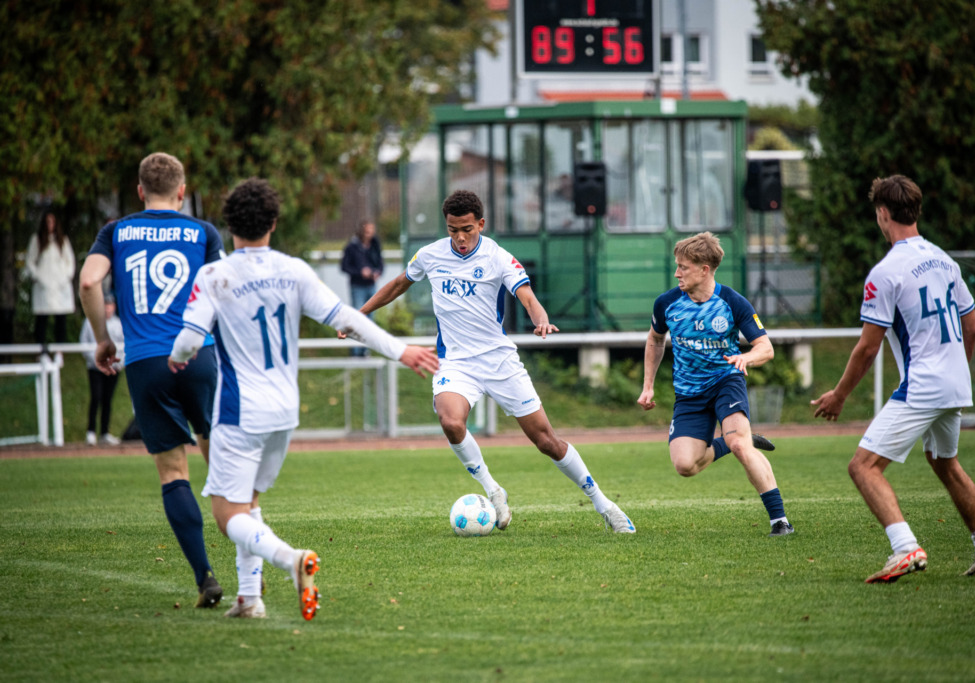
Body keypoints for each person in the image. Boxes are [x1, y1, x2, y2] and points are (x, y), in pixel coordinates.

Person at [169, 178, 438, 619]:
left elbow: (189, 339)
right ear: (274, 222)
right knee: (249, 502)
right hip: (283, 411)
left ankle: (290, 560)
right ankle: (250, 598)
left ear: (229, 224)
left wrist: (177, 359)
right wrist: (401, 350)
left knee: (225, 515)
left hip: (241, 410)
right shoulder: (293, 270)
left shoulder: (215, 274)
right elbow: (347, 318)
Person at [349, 189, 636, 533]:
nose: (460, 237)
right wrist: (358, 317)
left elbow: (527, 296)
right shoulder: (429, 255)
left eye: (467, 229)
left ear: (481, 224)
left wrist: (540, 318)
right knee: (451, 422)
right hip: (456, 363)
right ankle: (493, 490)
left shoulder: (498, 257)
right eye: (453, 229)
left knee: (546, 441)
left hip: (499, 362)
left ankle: (604, 505)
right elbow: (398, 284)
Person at [811, 174, 975, 583]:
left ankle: (905, 548)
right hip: (954, 382)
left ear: (883, 214)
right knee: (945, 463)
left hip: (923, 384)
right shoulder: (946, 261)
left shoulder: (886, 271)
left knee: (863, 467)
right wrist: (956, 371)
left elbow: (867, 348)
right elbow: (972, 329)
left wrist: (839, 396)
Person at [79, 152, 226, 608]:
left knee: (172, 471)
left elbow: (88, 283)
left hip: (145, 362)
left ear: (140, 191)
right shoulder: (202, 232)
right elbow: (222, 288)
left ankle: (205, 577)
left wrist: (104, 340)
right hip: (198, 354)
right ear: (182, 192)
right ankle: (251, 555)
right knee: (217, 452)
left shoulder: (117, 231)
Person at [637, 232, 793, 537]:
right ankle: (736, 441)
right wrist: (648, 386)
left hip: (726, 382)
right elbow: (655, 340)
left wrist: (745, 359)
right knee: (685, 465)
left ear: (704, 269)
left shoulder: (732, 302)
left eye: (683, 267)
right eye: (677, 266)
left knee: (740, 446)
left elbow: (766, 347)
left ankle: (780, 521)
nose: (676, 273)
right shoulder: (667, 303)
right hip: (688, 393)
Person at [25, 211, 77, 347]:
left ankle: (59, 351)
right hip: (44, 286)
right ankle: (40, 350)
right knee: (42, 319)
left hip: (60, 286)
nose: (50, 225)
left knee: (61, 319)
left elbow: (70, 262)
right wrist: (38, 277)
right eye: (47, 222)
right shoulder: (37, 240)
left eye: (52, 221)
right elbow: (30, 262)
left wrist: (65, 278)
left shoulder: (62, 241)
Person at [80, 295, 124, 446]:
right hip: (95, 367)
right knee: (96, 397)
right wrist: (97, 361)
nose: (107, 308)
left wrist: (118, 363)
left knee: (107, 400)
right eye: (105, 305)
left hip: (114, 367)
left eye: (110, 305)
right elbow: (84, 344)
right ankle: (91, 431)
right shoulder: (90, 322)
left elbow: (124, 346)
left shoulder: (119, 324)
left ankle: (104, 432)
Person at [340, 219, 384, 356]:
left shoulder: (375, 245)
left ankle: (365, 350)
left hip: (371, 286)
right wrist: (360, 272)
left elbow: (381, 264)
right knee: (357, 317)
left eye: (371, 231)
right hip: (357, 286)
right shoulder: (352, 246)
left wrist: (377, 272)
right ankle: (355, 351)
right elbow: (344, 267)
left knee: (370, 320)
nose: (369, 234)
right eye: (367, 231)